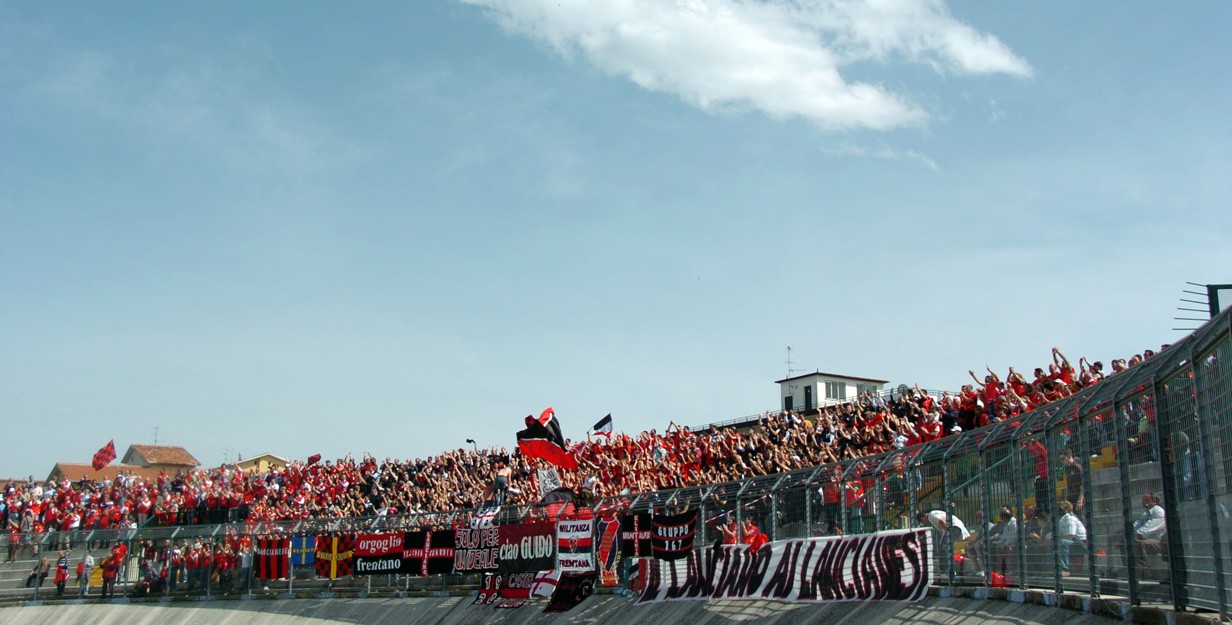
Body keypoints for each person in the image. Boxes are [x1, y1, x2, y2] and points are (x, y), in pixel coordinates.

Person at [1111, 492, 1166, 576]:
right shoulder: (1145, 514)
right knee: (1124, 542)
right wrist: (1123, 537)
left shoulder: (1159, 512)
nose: (1144, 503)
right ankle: (1128, 568)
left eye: (1146, 500)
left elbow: (1145, 531)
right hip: (1146, 539)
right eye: (1143, 500)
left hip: (1160, 542)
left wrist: (1127, 537)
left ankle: (1144, 570)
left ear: (1154, 501)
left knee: (1138, 543)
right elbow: (1134, 527)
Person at [1056, 501, 1087, 576]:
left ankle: (1065, 569)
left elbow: (1071, 535)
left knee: (1062, 542)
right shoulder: (1060, 520)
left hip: (1080, 542)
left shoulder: (1069, 518)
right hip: (1071, 541)